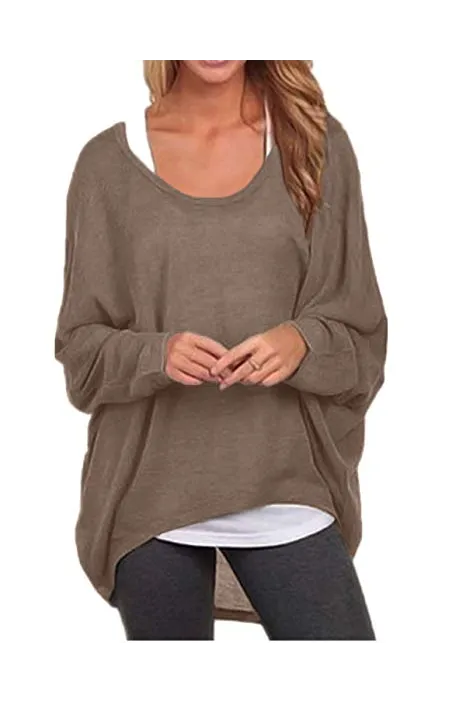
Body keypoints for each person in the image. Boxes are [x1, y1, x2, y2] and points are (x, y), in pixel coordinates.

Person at [54, 58, 388, 641]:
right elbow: (80, 353)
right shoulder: (106, 164)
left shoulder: (315, 145)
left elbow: (363, 335)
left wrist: (301, 341)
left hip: (287, 484)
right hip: (148, 497)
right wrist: (157, 355)